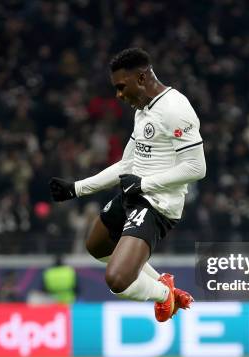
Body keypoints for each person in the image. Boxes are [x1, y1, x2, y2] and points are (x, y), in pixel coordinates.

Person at [49, 48, 206, 322]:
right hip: (134, 193)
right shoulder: (143, 110)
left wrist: (144, 183)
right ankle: (163, 283)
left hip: (157, 204)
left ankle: (164, 294)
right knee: (97, 245)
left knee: (118, 280)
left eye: (122, 87)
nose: (118, 95)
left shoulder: (175, 109)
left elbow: (196, 167)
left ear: (142, 78)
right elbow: (126, 166)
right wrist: (76, 188)